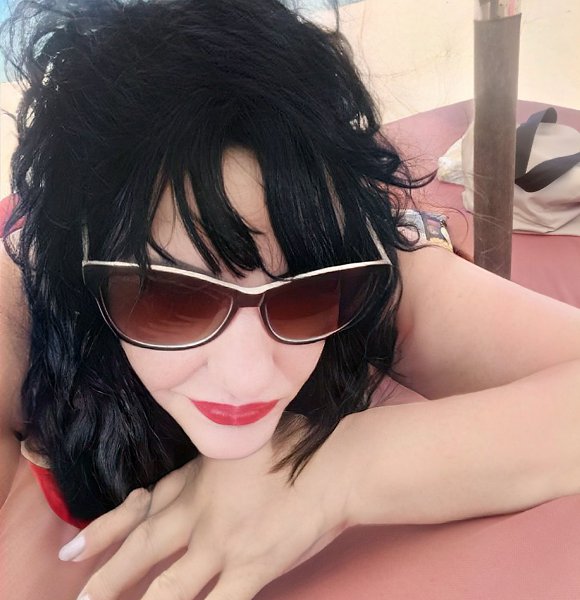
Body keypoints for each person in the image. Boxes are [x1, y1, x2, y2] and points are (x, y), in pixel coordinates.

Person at [1, 0, 580, 598]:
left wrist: (340, 471)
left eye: (308, 294)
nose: (248, 376)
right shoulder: (23, 302)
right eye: (171, 299)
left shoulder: (364, 267)